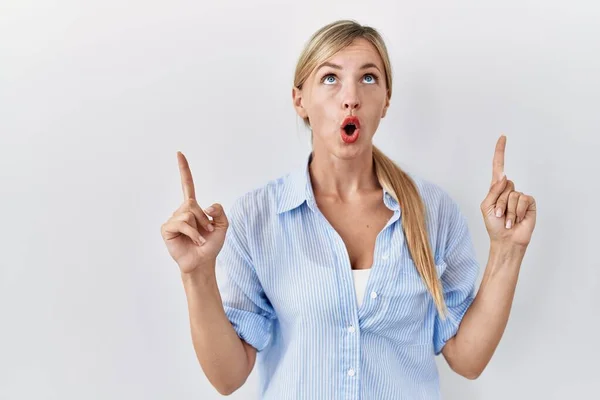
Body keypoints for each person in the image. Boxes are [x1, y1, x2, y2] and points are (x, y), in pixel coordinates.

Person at [160, 19, 537, 399]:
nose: (351, 96)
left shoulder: (434, 212)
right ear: (299, 100)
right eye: (330, 78)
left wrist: (508, 251)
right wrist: (197, 273)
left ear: (386, 99)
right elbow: (228, 377)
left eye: (369, 78)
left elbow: (467, 360)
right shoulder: (257, 217)